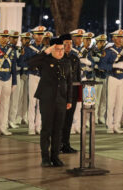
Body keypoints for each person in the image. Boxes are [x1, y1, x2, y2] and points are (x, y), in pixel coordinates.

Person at [27, 38, 72, 167]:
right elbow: (30, 63)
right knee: (46, 129)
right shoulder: (45, 60)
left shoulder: (66, 62)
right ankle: (45, 158)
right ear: (52, 49)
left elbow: (69, 82)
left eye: (62, 49)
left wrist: (69, 100)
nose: (60, 52)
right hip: (47, 99)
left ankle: (55, 156)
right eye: (57, 50)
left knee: (58, 130)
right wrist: (46, 51)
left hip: (61, 100)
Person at [99, 29, 123, 134]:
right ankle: (109, 125)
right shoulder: (108, 51)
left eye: (122, 37)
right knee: (111, 102)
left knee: (120, 103)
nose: (120, 39)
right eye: (118, 37)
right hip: (112, 77)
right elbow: (101, 65)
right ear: (113, 38)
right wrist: (113, 65)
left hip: (122, 78)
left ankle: (117, 125)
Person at [19, 26, 46, 135]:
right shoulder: (28, 49)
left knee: (41, 103)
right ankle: (31, 127)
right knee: (32, 102)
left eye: (41, 34)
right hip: (33, 76)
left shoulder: (46, 48)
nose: (39, 37)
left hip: (43, 77)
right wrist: (31, 66)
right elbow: (22, 62)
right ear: (33, 36)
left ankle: (38, 126)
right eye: (37, 34)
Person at [60, 34, 81, 153]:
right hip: (61, 93)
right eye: (66, 44)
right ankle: (57, 145)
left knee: (68, 120)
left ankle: (66, 144)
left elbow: (77, 77)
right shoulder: (58, 57)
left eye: (70, 44)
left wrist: (78, 93)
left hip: (72, 93)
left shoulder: (74, 58)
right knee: (59, 120)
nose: (68, 46)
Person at [15, 32, 32, 125]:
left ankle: (25, 117)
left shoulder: (31, 49)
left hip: (28, 74)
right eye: (25, 39)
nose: (26, 41)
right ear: (21, 40)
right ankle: (18, 117)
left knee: (27, 98)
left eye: (28, 39)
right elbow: (18, 62)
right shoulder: (19, 49)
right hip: (20, 74)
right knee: (19, 97)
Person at [92, 34, 108, 125]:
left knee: (104, 98)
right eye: (100, 42)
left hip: (104, 76)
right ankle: (95, 116)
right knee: (96, 98)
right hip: (97, 76)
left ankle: (101, 116)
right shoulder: (93, 51)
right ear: (97, 42)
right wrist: (97, 65)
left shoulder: (106, 51)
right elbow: (91, 62)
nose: (102, 44)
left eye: (103, 42)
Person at [8, 30, 21, 129]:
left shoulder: (19, 49)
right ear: (9, 38)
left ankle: (12, 120)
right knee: (5, 100)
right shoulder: (5, 48)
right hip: (6, 75)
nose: (15, 40)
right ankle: (3, 120)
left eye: (17, 38)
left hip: (17, 74)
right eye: (13, 38)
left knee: (15, 99)